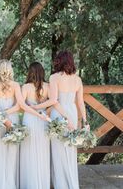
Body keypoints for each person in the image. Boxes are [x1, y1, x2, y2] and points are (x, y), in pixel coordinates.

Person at [0, 59, 50, 189]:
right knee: (12, 152)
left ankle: (0, 184)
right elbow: (19, 105)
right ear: (10, 70)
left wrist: (2, 114)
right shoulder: (16, 85)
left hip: (0, 120)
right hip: (12, 119)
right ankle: (10, 184)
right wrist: (7, 114)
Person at [33, 51, 89, 189]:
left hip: (59, 114)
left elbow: (53, 101)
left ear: (59, 61)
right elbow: (80, 102)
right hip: (73, 113)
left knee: (58, 151)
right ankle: (71, 184)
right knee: (70, 149)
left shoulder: (54, 78)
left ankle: (61, 185)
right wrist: (85, 121)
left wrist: (35, 107)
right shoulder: (78, 79)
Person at [20, 62, 50, 189]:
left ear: (30, 73)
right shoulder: (48, 86)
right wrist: (44, 113)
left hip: (30, 119)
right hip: (43, 119)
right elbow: (53, 104)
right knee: (42, 151)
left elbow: (21, 107)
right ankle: (42, 184)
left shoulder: (25, 87)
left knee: (29, 150)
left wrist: (31, 110)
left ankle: (29, 183)